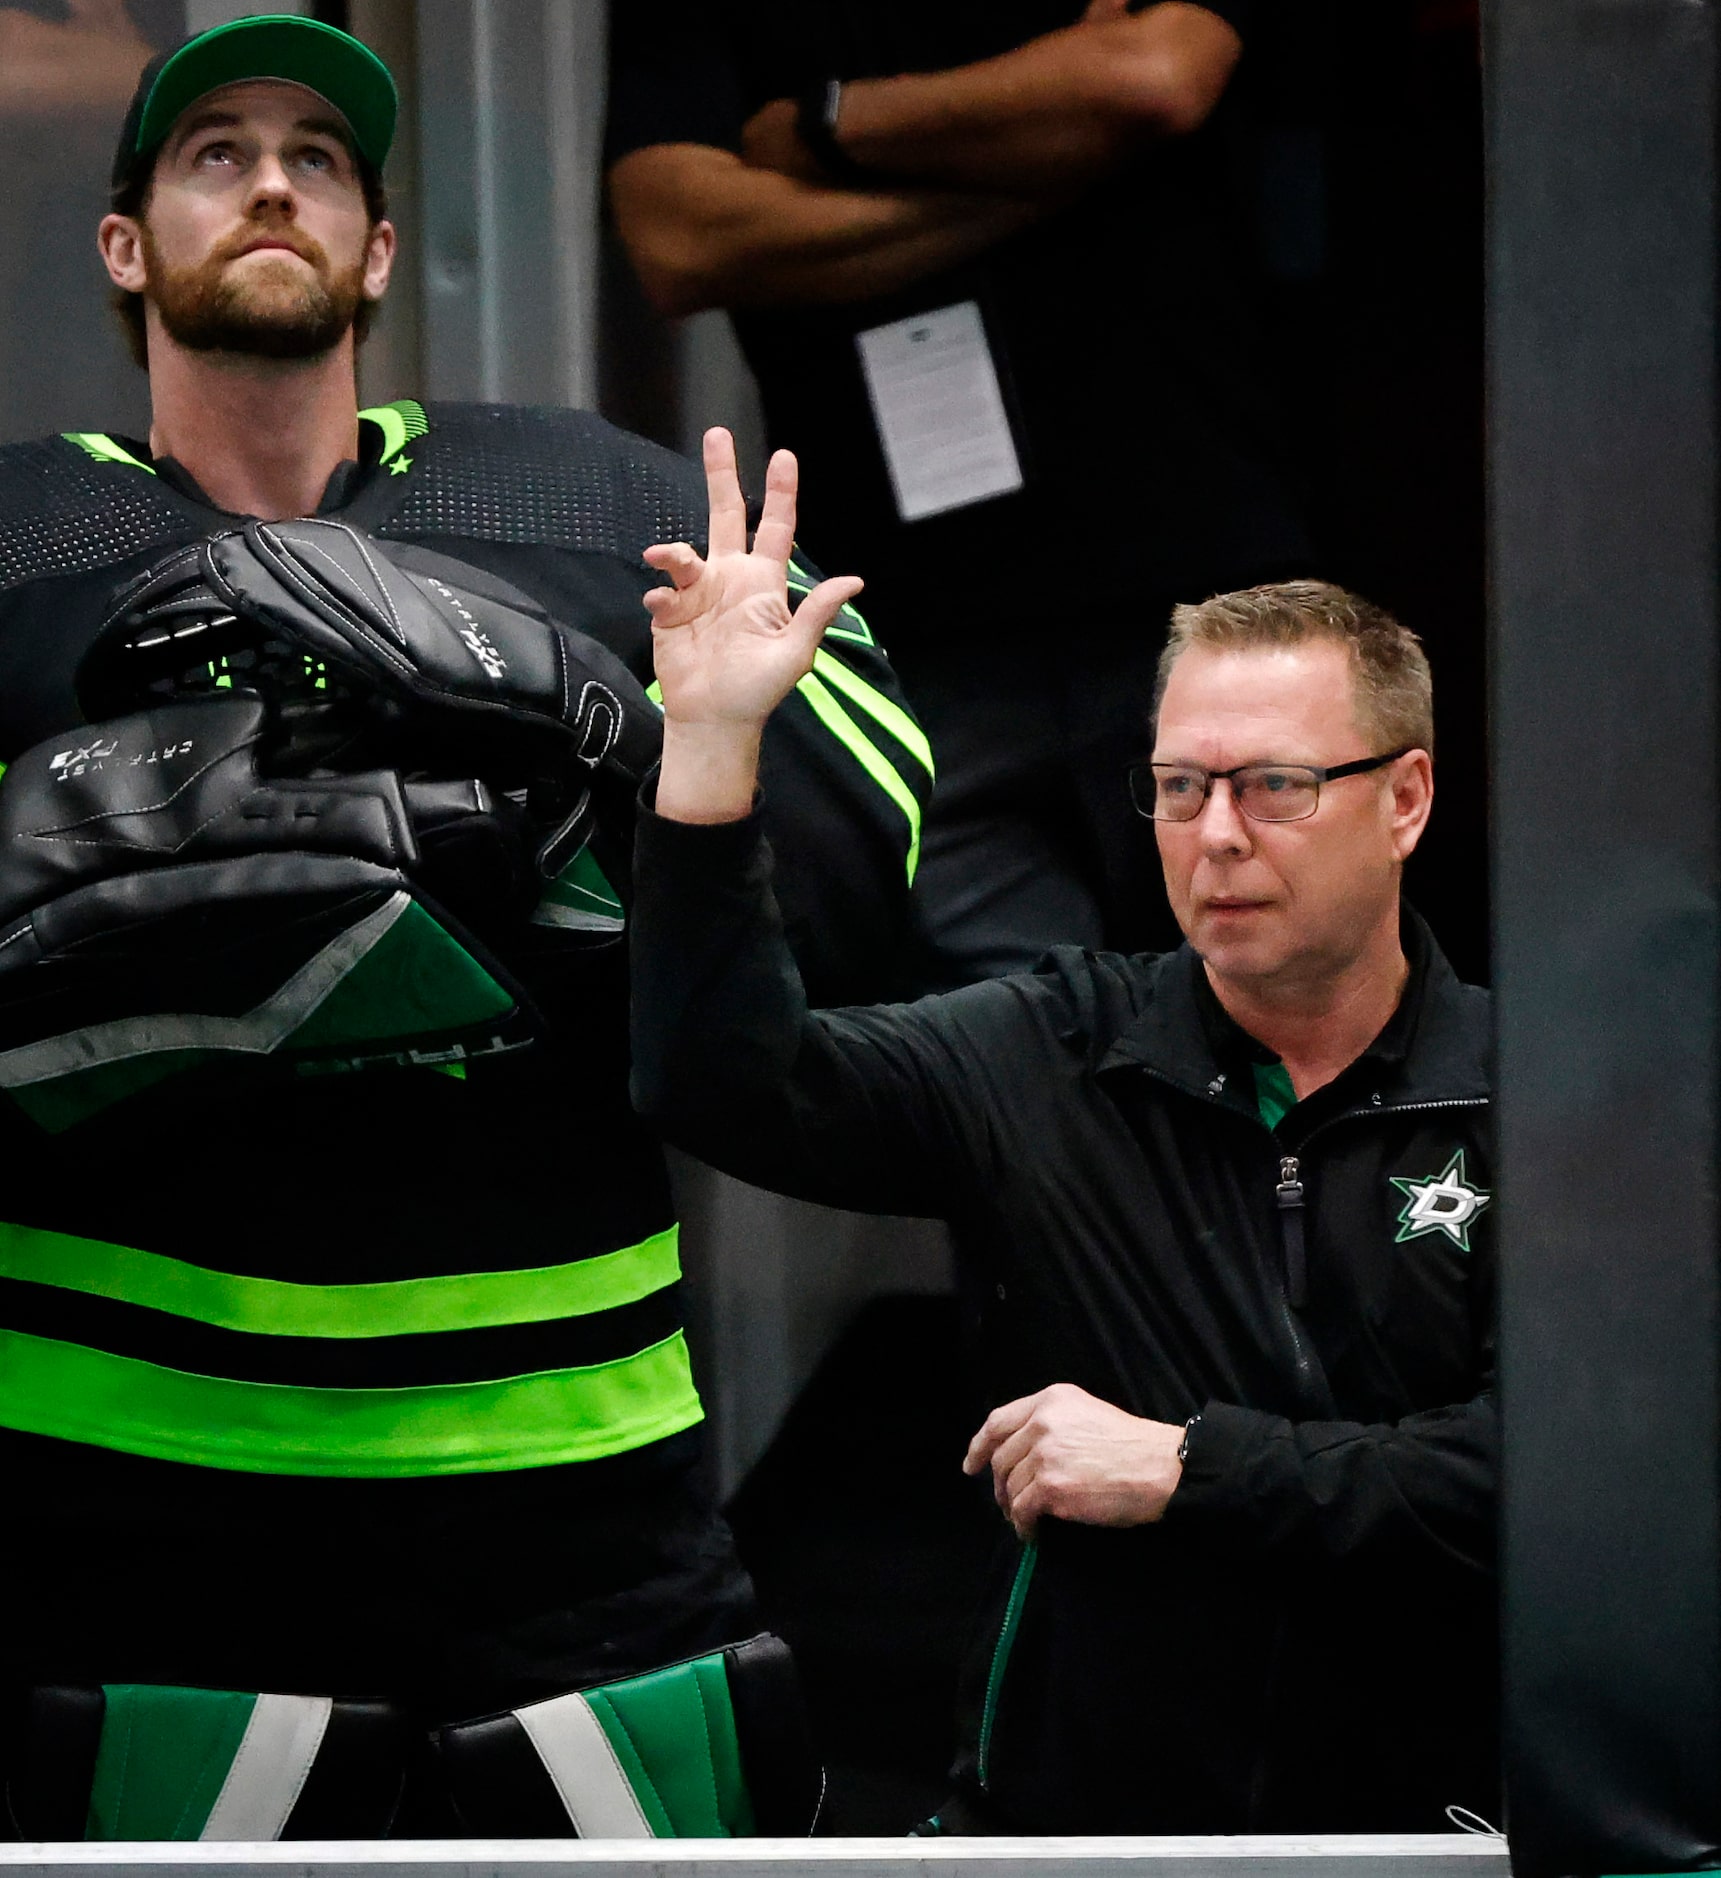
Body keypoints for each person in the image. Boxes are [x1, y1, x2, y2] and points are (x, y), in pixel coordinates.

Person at [0, 18, 928, 1837]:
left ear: (377, 253)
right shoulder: (14, 536)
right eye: (215, 154)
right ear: (126, 246)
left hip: (570, 1481)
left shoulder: (610, 504)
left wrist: (620, 721)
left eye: (319, 161)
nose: (272, 180)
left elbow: (869, 863)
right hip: (116, 1505)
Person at [629, 430, 1498, 1834]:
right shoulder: (1054, 1047)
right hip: (1080, 1831)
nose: (1214, 834)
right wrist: (717, 749)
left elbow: (1540, 1474)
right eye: (1176, 786)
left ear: (1403, 799)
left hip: (1441, 1835)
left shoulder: (1534, 1095)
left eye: (1273, 785)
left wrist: (1186, 1467)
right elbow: (726, 1083)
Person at [606, 0, 1315, 986]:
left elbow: (1154, 77)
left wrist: (824, 127)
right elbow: (680, 237)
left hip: (1192, 590)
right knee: (1009, 1074)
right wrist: (1058, 161)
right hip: (911, 639)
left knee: (1253, 1028)